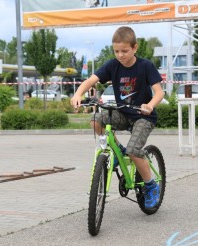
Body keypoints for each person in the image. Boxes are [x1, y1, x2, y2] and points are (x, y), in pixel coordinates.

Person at [71, 26, 165, 209]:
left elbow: (159, 92)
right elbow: (91, 80)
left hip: (143, 116)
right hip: (123, 113)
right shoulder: (112, 65)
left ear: (135, 48)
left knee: (134, 150)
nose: (120, 55)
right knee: (96, 121)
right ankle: (118, 151)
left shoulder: (145, 66)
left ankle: (151, 185)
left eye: (125, 51)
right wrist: (77, 95)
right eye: (116, 51)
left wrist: (150, 105)